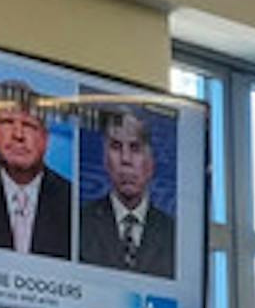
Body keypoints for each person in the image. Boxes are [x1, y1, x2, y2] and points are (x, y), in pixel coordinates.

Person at [0, 86, 74, 259]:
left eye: (29, 125)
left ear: (45, 138)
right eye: (7, 122)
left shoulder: (71, 201)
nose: (18, 135)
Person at [76, 104, 179, 278]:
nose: (125, 160)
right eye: (116, 147)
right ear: (104, 159)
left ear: (151, 162)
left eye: (135, 148)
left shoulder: (174, 235)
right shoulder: (80, 223)